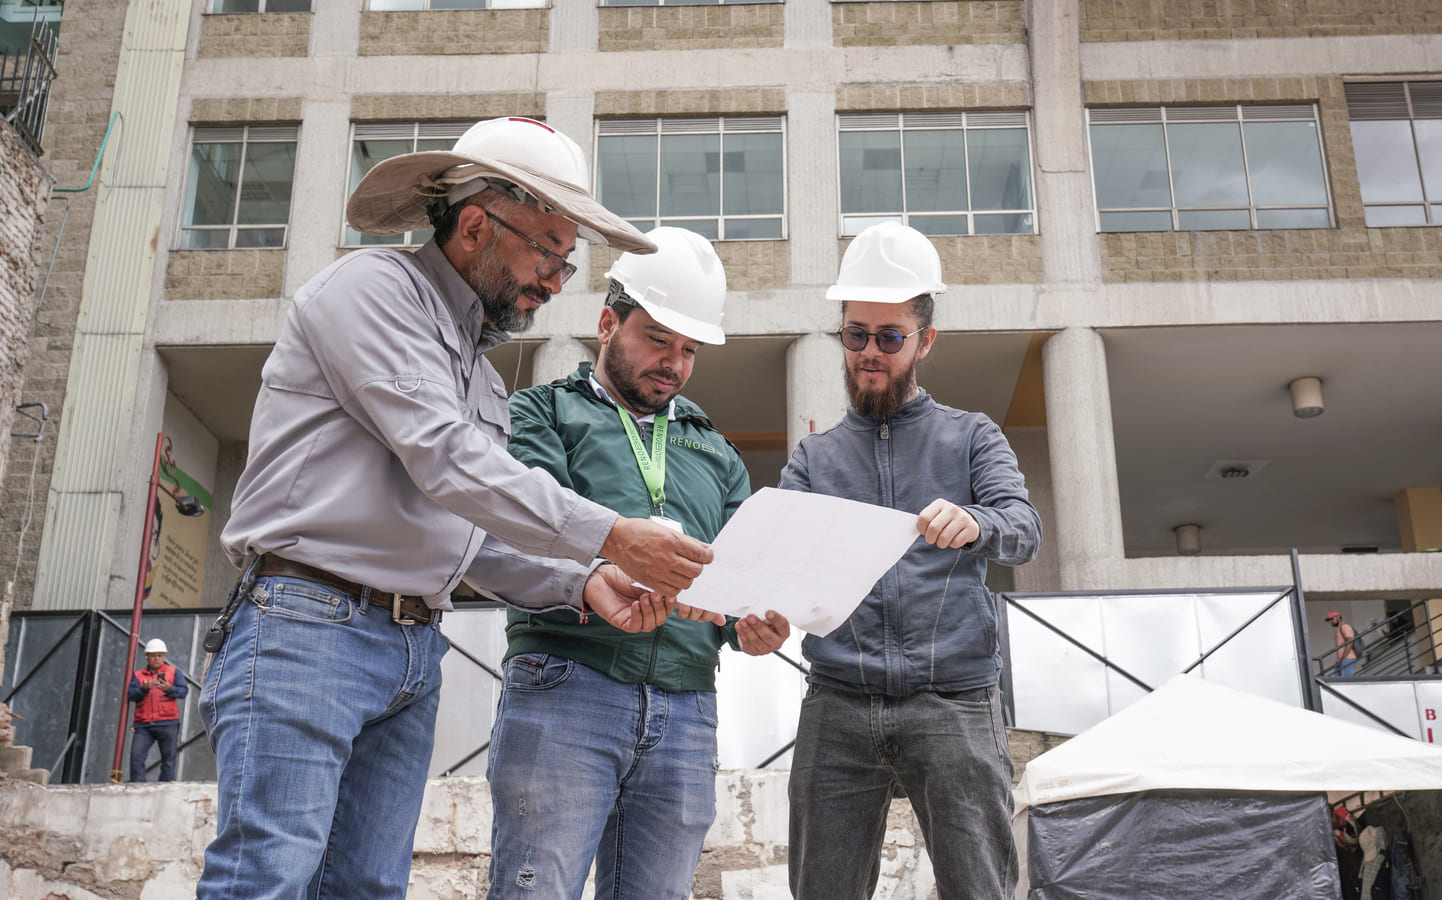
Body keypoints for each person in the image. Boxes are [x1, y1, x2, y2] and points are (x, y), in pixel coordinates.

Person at [198, 117, 715, 900]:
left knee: (367, 885)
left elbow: (468, 531)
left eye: (566, 264)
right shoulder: (370, 291)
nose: (553, 281)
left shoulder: (479, 376)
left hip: (410, 647)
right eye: (547, 252)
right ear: (476, 225)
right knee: (266, 876)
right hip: (307, 624)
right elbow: (445, 457)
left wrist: (585, 581)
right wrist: (610, 534)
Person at [486, 226, 791, 899]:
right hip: (568, 681)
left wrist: (751, 624)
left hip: (688, 702)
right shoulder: (539, 412)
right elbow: (528, 530)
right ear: (606, 323)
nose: (674, 363)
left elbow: (743, 580)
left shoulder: (718, 453)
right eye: (657, 339)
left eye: (689, 350)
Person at [780, 222, 1043, 899]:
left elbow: (1023, 527)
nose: (870, 352)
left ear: (925, 340)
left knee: (978, 888)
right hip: (837, 701)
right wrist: (761, 612)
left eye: (889, 337)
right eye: (855, 334)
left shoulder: (972, 435)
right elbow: (781, 564)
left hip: (953, 699)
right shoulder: (813, 460)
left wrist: (975, 520)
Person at [125, 638, 187, 782]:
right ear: (146, 657)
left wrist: (169, 689)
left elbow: (183, 692)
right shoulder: (138, 675)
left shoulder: (174, 672)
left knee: (169, 760)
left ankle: (165, 789)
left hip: (168, 723)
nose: (156, 658)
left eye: (159, 655)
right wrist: (144, 688)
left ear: (164, 656)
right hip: (143, 725)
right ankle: (138, 789)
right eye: (153, 655)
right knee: (136, 757)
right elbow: (131, 694)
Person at [1328, 610, 1358, 676]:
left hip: (1347, 659)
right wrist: (1339, 658)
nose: (1331, 622)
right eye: (1329, 620)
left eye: (1332, 619)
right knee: (1339, 683)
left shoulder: (1345, 627)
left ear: (1338, 617)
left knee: (1347, 683)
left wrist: (1344, 657)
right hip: (1341, 660)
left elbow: (1350, 641)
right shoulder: (1339, 629)